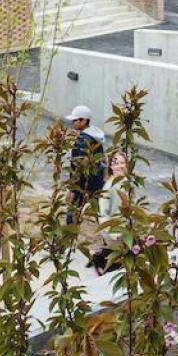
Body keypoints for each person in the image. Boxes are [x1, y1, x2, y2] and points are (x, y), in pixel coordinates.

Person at [64, 105, 109, 269]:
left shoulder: (82, 140)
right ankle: (104, 249)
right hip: (97, 182)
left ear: (84, 121)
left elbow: (78, 168)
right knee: (101, 217)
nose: (73, 123)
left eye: (76, 120)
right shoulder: (96, 135)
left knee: (72, 214)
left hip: (83, 185)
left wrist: (72, 189)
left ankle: (66, 246)